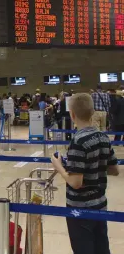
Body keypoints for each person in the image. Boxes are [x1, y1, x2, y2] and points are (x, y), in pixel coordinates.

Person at [51, 93, 119, 254]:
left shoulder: (78, 141)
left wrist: (58, 165)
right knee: (102, 246)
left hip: (80, 208)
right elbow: (114, 170)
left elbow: (76, 182)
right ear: (93, 111)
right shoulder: (103, 137)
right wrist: (94, 166)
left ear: (72, 114)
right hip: (100, 204)